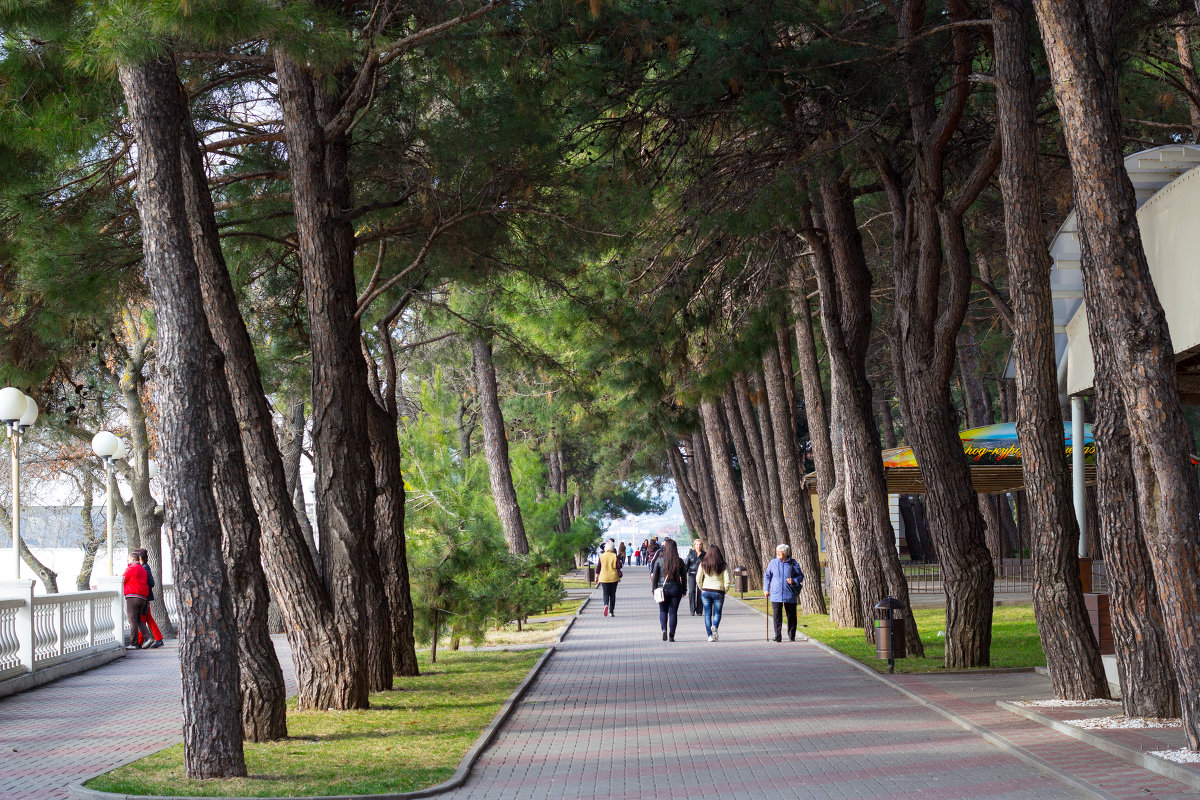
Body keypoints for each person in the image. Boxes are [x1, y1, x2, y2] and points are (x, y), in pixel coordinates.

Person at [763, 543, 804, 642]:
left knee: (791, 616)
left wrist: (794, 580)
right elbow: (767, 576)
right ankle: (778, 636)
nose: (778, 553)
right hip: (775, 594)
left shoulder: (793, 563)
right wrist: (766, 589)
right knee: (777, 616)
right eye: (777, 551)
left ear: (785, 553)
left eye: (780, 552)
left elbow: (800, 576)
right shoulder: (773, 563)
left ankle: (791, 635)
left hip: (789, 594)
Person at [650, 538, 686, 641]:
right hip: (676, 589)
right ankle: (671, 635)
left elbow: (655, 578)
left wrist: (654, 590)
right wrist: (684, 590)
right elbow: (684, 577)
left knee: (662, 610)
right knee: (673, 612)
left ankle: (664, 629)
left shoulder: (659, 560)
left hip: (662, 589)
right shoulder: (679, 561)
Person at [696, 544, 732, 642]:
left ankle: (709, 636)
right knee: (717, 612)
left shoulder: (703, 563)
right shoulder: (722, 564)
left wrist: (701, 588)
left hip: (706, 590)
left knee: (707, 613)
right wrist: (724, 590)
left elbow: (698, 578)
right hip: (718, 591)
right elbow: (727, 580)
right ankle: (715, 626)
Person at [122, 550, 154, 650]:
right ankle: (148, 638)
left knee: (132, 620)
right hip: (143, 597)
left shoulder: (131, 568)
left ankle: (134, 643)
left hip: (133, 596)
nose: (127, 561)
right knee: (139, 619)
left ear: (132, 559)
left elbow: (122, 579)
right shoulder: (142, 569)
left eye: (128, 559)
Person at [136, 549, 165, 648]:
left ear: (139, 557)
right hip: (145, 597)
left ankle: (139, 642)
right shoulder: (143, 567)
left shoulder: (144, 567)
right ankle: (157, 639)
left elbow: (151, 582)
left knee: (142, 618)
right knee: (146, 618)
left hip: (145, 597)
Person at [595, 541, 622, 617]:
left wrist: (596, 577)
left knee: (605, 593)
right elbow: (619, 566)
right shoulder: (614, 556)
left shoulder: (602, 556)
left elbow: (598, 567)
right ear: (612, 548)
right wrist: (618, 559)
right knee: (612, 594)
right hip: (613, 577)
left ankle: (606, 604)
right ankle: (611, 611)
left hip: (604, 577)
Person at [685, 538, 705, 615]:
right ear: (694, 545)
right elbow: (686, 565)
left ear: (702, 546)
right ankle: (692, 610)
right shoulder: (691, 554)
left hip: (701, 575)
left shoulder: (704, 554)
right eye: (697, 544)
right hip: (691, 574)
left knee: (700, 592)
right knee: (691, 591)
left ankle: (699, 610)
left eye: (700, 544)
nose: (698, 546)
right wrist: (682, 575)